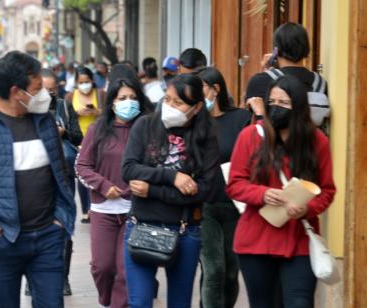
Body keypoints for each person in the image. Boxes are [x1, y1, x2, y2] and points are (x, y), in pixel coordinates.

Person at [0, 51, 76, 308]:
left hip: (47, 238)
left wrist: (60, 221)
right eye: (37, 89)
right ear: (17, 92)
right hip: (4, 242)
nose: (45, 95)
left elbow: (60, 172)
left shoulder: (44, 121)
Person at [226, 75, 336, 308]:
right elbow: (235, 184)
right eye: (272, 102)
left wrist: (308, 208)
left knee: (300, 302)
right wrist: (262, 194)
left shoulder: (318, 142)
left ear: (298, 108)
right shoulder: (251, 136)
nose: (276, 108)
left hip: (299, 240)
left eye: (284, 103)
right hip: (255, 241)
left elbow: (327, 191)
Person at [122, 74, 219, 308]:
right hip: (141, 226)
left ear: (196, 107)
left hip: (185, 231)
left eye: (178, 102)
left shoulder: (206, 137)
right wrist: (172, 177)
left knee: (179, 303)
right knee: (140, 302)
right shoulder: (145, 125)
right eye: (167, 99)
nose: (170, 106)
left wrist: (152, 191)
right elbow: (129, 169)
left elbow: (204, 190)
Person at [76, 75, 153, 308]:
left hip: (136, 210)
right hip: (103, 210)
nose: (128, 102)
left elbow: (157, 166)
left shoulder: (147, 129)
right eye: (122, 98)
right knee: (102, 266)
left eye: (133, 98)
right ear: (112, 102)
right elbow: (82, 166)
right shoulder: (98, 129)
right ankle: (108, 301)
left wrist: (145, 185)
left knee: (125, 270)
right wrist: (103, 185)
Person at [196, 67, 250, 308]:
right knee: (214, 270)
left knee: (230, 273)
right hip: (204, 206)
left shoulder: (239, 118)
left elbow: (256, 148)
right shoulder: (194, 121)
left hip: (234, 206)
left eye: (201, 90)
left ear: (215, 89)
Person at [44, 67, 83, 295]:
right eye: (44, 89)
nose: (49, 94)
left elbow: (79, 137)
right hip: (40, 178)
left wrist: (64, 133)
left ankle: (63, 278)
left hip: (65, 174)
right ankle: (33, 279)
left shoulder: (65, 106)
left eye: (53, 89)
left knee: (65, 225)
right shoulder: (30, 110)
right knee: (40, 228)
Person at [245, 23, 328, 122]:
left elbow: (250, 120)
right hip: (310, 136)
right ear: (306, 49)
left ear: (276, 51)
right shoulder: (321, 83)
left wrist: (263, 72)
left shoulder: (260, 81)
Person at [66, 66, 105, 223]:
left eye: (87, 81)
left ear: (92, 81)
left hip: (98, 140)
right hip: (78, 141)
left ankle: (95, 206)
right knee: (82, 175)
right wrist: (77, 113)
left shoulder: (101, 94)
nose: (84, 85)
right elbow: (66, 117)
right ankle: (86, 210)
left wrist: (98, 112)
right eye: (81, 82)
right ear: (76, 82)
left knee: (97, 173)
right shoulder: (70, 97)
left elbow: (109, 112)